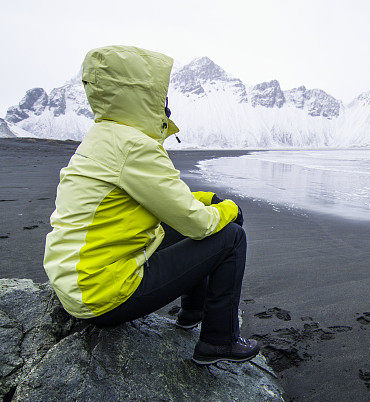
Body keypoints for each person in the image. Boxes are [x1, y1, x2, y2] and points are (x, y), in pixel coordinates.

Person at [43, 45, 259, 365]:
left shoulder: (106, 136)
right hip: (102, 294)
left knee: (191, 222)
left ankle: (192, 312)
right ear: (140, 95)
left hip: (78, 279)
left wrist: (210, 201)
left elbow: (164, 200)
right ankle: (218, 340)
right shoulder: (134, 146)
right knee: (230, 238)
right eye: (161, 95)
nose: (166, 103)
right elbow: (194, 222)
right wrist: (229, 210)